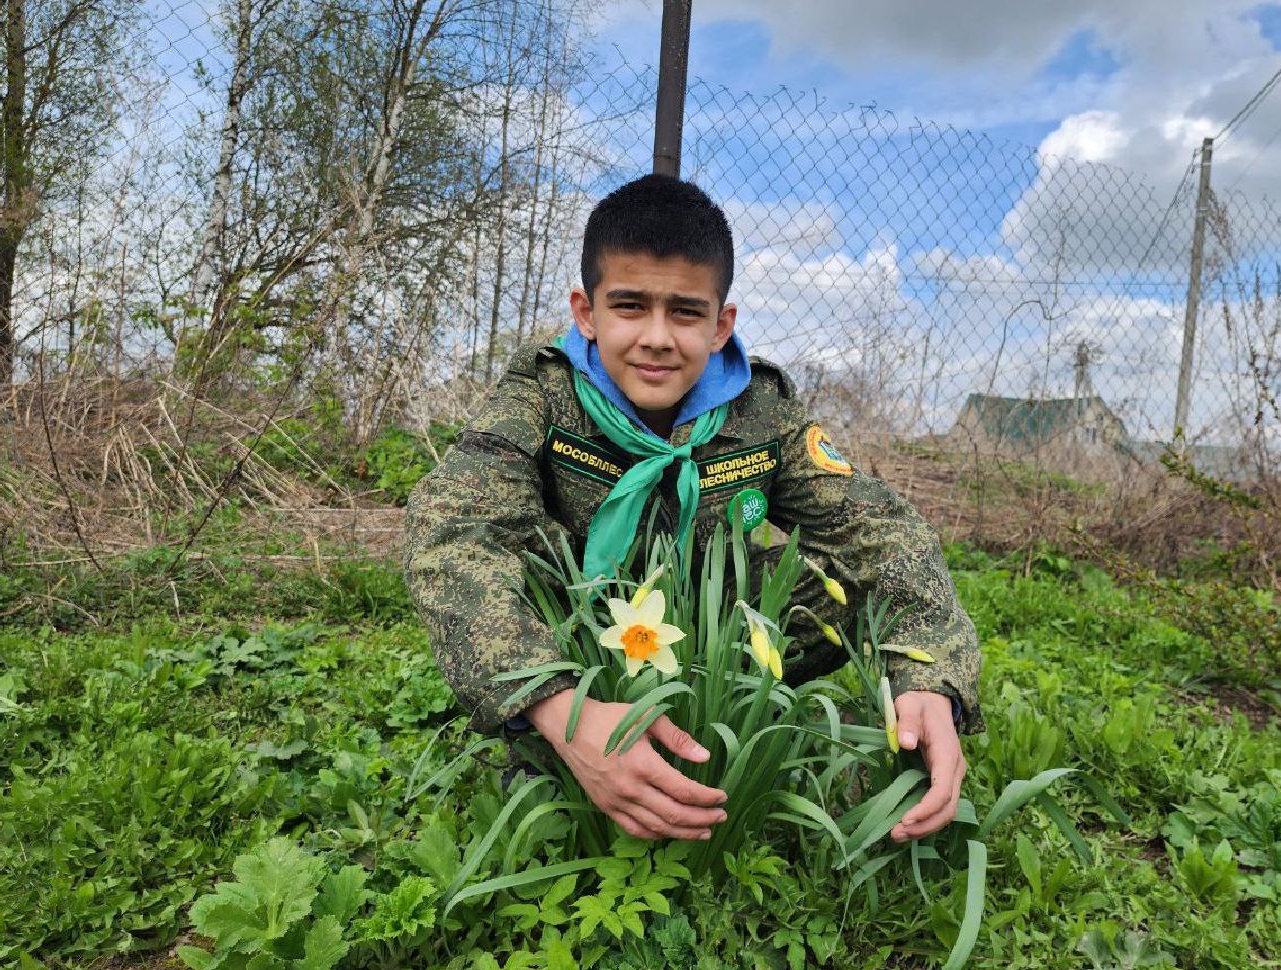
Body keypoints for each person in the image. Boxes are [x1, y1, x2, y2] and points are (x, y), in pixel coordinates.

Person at [403, 173, 981, 846]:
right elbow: (452, 536)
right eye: (629, 306)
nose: (657, 337)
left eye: (684, 312)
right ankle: (552, 748)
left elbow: (880, 532)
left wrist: (930, 675)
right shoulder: (543, 396)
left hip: (709, 644)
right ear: (586, 313)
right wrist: (566, 709)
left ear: (720, 324)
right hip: (581, 638)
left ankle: (715, 729)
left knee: (845, 579)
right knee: (499, 558)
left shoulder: (758, 410)